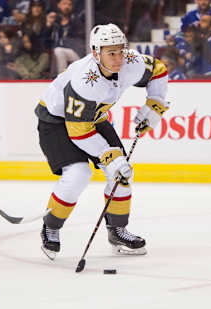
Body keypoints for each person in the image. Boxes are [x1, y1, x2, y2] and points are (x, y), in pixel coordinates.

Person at [34, 24, 169, 260]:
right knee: (78, 173)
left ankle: (117, 230)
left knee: (122, 172)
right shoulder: (85, 81)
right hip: (55, 121)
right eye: (111, 53)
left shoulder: (131, 62)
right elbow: (79, 132)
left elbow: (158, 70)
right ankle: (51, 226)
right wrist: (110, 156)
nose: (118, 59)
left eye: (120, 51)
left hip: (93, 118)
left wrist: (155, 102)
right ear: (96, 53)